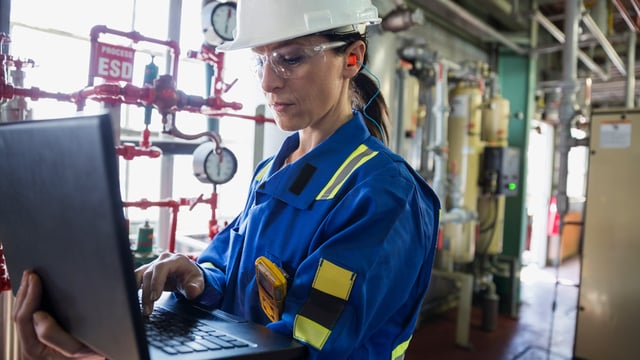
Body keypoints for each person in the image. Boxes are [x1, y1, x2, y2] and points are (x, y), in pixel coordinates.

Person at [13, 0, 441, 358]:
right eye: (260, 62)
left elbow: (305, 346)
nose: (269, 82)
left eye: (290, 59)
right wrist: (197, 280)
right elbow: (228, 272)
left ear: (352, 59)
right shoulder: (274, 170)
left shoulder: (383, 195)